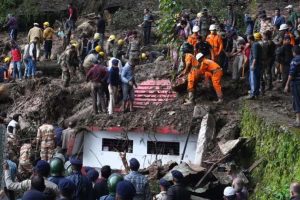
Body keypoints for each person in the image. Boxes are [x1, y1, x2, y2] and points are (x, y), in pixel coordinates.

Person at [284, 46, 300, 127]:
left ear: (294, 52)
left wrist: (287, 84)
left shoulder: (295, 60)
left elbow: (291, 73)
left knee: (297, 100)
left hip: (296, 83)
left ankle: (298, 120)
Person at [247, 33, 262, 100]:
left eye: (248, 40)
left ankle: (253, 94)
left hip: (255, 65)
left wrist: (253, 65)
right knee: (255, 79)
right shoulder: (255, 45)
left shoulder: (255, 45)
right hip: (257, 65)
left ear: (250, 40)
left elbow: (255, 57)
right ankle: (256, 93)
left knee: (253, 80)